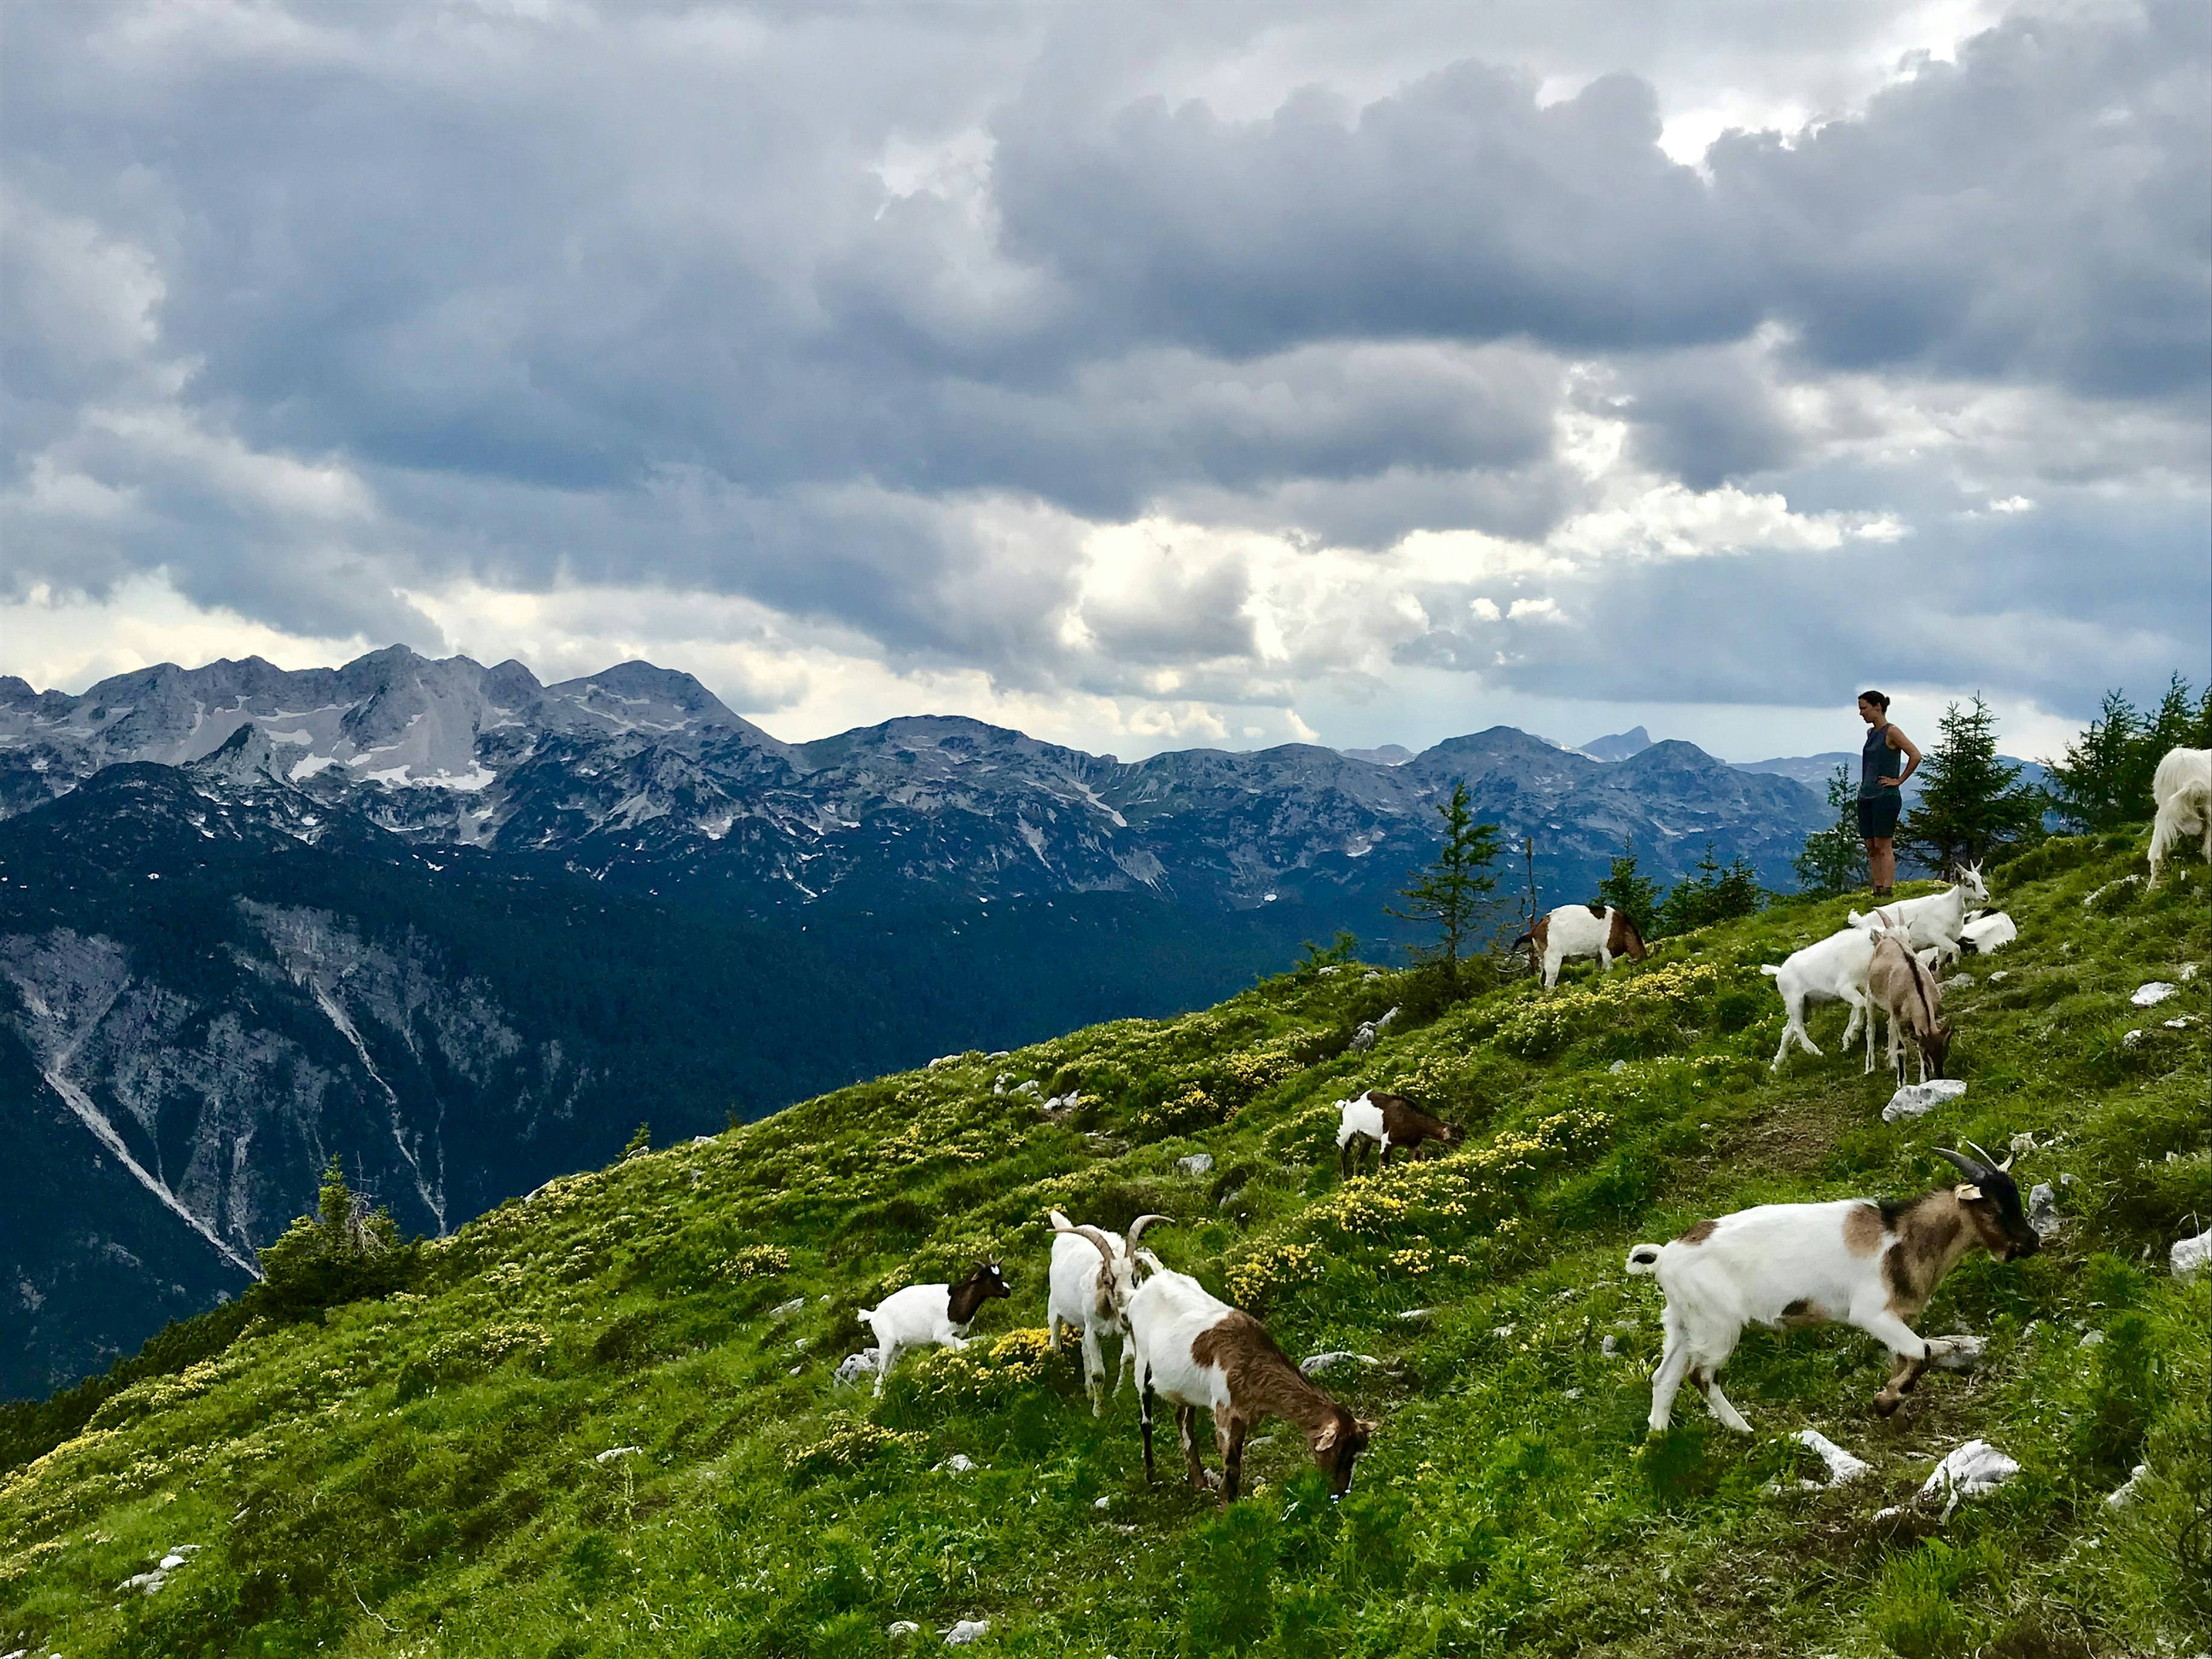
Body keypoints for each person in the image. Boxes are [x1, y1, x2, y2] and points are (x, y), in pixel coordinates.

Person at [1857, 690, 1921, 899]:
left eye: (1864, 708)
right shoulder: (1871, 734)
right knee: (1870, 844)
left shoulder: (1892, 732)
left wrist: (1899, 780)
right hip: (1867, 795)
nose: (1861, 714)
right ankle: (1877, 887)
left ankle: (1887, 888)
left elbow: (1915, 755)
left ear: (1877, 707)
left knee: (1884, 843)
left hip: (1885, 796)